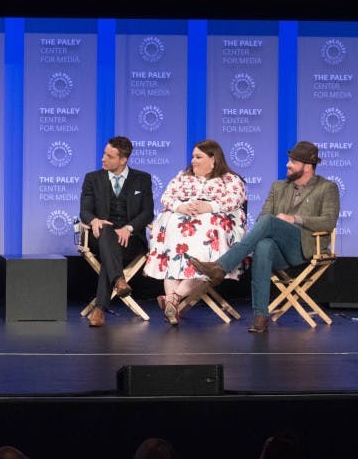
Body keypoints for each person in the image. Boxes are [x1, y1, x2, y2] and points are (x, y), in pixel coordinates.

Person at [191, 141, 340, 333]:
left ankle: (221, 266)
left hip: (306, 245)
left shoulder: (327, 188)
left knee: (270, 222)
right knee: (263, 245)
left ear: (307, 166)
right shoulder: (278, 187)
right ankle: (261, 315)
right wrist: (277, 223)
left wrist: (294, 219)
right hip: (279, 249)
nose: (288, 164)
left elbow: (328, 222)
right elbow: (262, 218)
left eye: (293, 161)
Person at [144, 139, 246, 325]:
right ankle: (173, 303)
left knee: (205, 242)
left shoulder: (230, 179)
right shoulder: (183, 177)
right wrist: (180, 207)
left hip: (213, 222)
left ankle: (172, 300)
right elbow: (167, 196)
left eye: (198, 157)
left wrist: (209, 206)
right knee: (172, 230)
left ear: (213, 159)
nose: (193, 161)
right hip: (182, 220)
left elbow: (235, 200)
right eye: (192, 156)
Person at [79, 136, 154, 327]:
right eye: (104, 153)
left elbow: (147, 213)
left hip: (131, 240)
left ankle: (100, 308)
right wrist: (94, 220)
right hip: (101, 236)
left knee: (109, 256)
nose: (103, 159)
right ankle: (118, 281)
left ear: (123, 160)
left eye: (109, 156)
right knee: (106, 232)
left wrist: (129, 228)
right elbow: (85, 211)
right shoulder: (92, 178)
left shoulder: (142, 179)